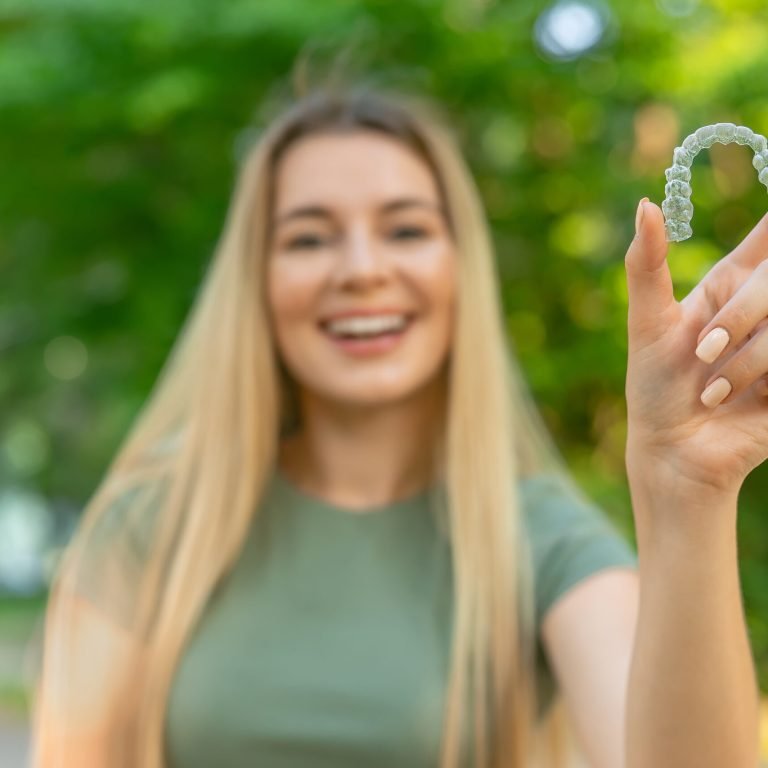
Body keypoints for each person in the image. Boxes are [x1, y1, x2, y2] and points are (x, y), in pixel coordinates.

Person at [30, 77, 762, 768]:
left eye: (405, 230)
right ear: (256, 281)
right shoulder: (153, 524)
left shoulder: (539, 537)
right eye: (309, 238)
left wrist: (684, 490)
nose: (360, 269)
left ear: (458, 266)